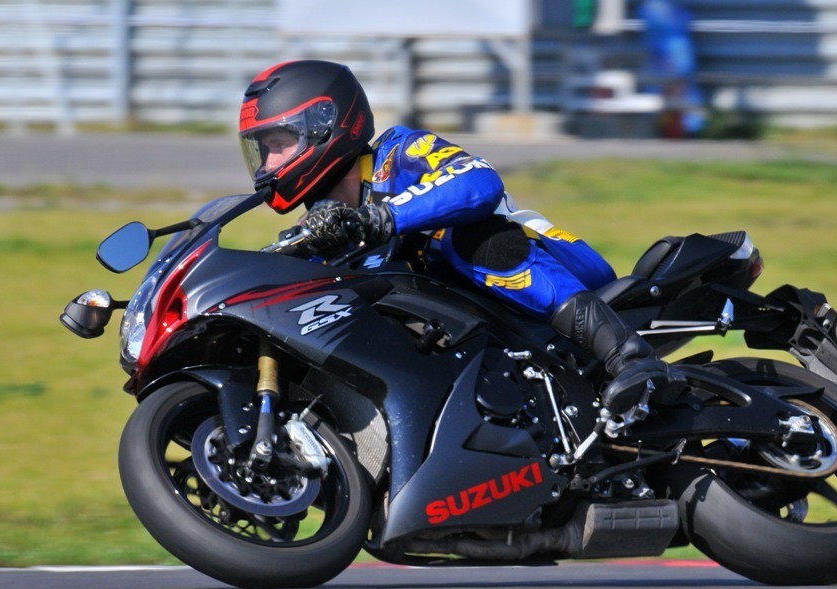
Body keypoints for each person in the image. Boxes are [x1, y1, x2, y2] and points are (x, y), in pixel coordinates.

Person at [238, 59, 678, 415]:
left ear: (323, 125)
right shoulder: (324, 227)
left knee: (462, 239)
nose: (268, 164)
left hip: (566, 268)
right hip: (486, 338)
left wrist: (381, 217)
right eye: (262, 149)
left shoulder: (399, 153)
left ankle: (629, 356)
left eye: (279, 144)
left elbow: (480, 181)